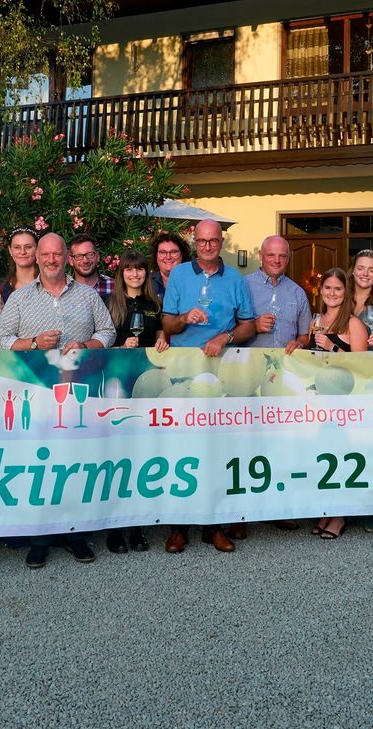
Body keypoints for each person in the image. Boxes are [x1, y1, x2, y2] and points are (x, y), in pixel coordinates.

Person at [0, 232, 115, 568]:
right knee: (40, 464)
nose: (50, 260)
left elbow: (108, 332)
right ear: (37, 257)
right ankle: (40, 538)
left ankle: (74, 533)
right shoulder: (19, 298)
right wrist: (33, 343)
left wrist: (87, 345)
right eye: (44, 254)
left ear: (66, 257)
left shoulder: (88, 296)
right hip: (36, 395)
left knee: (74, 463)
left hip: (79, 395)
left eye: (56, 254)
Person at [161, 218, 256, 552]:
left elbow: (249, 326)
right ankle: (178, 528)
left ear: (221, 242)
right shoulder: (179, 275)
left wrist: (224, 336)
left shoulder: (236, 279)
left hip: (221, 371)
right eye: (201, 241)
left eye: (213, 241)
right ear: (194, 242)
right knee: (181, 449)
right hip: (183, 372)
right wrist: (185, 317)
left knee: (216, 449)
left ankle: (214, 525)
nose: (207, 247)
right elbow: (167, 323)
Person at [104, 248, 169, 554]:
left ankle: (138, 525)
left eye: (140, 269)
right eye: (129, 270)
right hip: (118, 386)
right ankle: (115, 528)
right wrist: (119, 344)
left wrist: (162, 339)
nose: (135, 274)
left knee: (143, 456)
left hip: (146, 386)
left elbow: (164, 337)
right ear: (122, 274)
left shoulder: (156, 304)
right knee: (118, 457)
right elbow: (100, 343)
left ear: (147, 273)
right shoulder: (110, 303)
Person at [308, 268, 368, 539]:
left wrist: (333, 348)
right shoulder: (316, 320)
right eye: (328, 288)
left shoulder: (353, 323)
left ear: (346, 293)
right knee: (322, 455)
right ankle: (325, 508)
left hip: (343, 402)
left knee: (342, 456)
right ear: (322, 291)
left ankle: (340, 515)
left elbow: (363, 365)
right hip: (319, 401)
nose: (332, 293)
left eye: (338, 289)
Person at [246, 235, 311, 353]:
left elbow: (304, 336)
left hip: (286, 365)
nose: (277, 260)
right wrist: (253, 326)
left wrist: (299, 344)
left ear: (288, 258)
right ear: (260, 255)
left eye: (282, 256)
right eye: (271, 255)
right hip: (251, 365)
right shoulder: (243, 286)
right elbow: (227, 330)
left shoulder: (297, 292)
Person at [0, 227, 39, 310]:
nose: (22, 252)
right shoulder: (0, 289)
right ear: (10, 250)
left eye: (28, 247)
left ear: (37, 249)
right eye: (17, 247)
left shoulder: (48, 284)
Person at [69, 233, 113, 299]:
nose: (85, 261)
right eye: (78, 256)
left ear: (97, 257)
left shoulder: (115, 287)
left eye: (90, 254)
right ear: (71, 261)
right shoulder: (64, 291)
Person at [149, 231, 190, 299]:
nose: (168, 257)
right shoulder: (147, 282)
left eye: (173, 252)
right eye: (163, 252)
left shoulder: (193, 281)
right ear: (156, 255)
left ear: (182, 254)